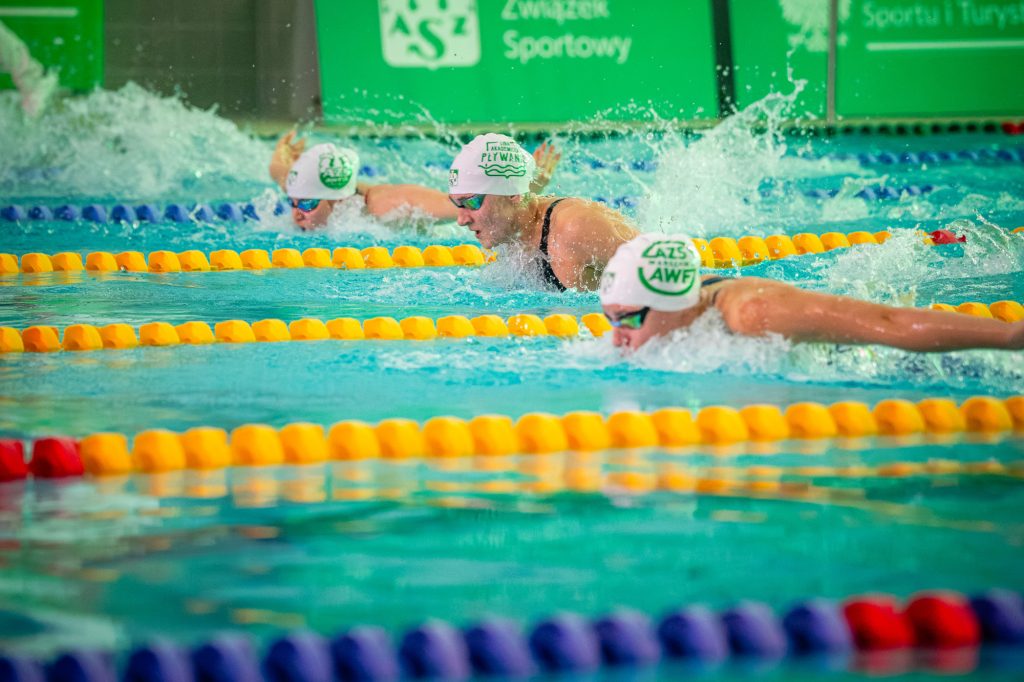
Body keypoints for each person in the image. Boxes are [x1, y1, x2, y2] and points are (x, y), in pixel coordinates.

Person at [599, 233, 1024, 352]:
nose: (616, 335)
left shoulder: (752, 313)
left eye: (629, 319)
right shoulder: (677, 314)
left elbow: (888, 324)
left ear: (671, 304)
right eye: (610, 318)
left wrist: (1008, 337)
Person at [448, 133, 638, 291]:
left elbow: (659, 269)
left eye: (472, 202)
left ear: (512, 193)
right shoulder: (507, 235)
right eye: (458, 204)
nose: (461, 220)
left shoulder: (575, 227)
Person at [271, 131, 560, 231]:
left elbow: (466, 207)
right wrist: (280, 158)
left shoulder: (389, 204)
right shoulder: (307, 190)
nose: (296, 212)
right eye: (292, 201)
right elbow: (279, 173)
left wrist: (525, 188)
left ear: (340, 200)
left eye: (307, 204)